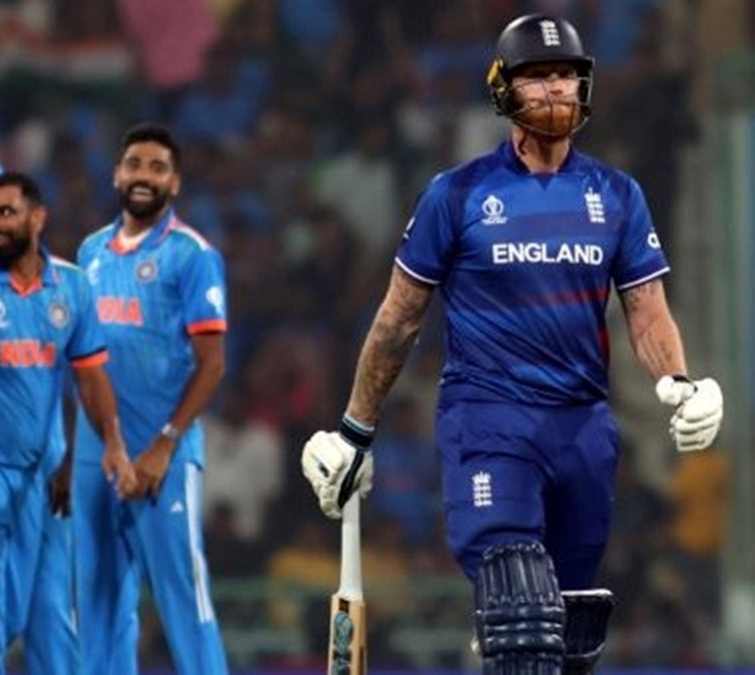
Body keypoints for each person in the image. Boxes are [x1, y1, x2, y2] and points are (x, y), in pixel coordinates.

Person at [299, 14, 724, 675]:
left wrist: (677, 382)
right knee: (519, 608)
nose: (555, 88)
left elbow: (646, 313)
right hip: (489, 423)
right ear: (503, 90)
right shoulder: (457, 194)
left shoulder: (617, 195)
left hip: (584, 431)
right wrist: (356, 431)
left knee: (569, 637)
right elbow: (399, 320)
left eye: (566, 75)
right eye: (537, 76)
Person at [0, 171, 131, 674]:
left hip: (34, 474)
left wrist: (111, 444)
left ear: (38, 218)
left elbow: (88, 377)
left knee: (14, 615)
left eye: (4, 213)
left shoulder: (72, 286)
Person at [73, 123, 229, 674]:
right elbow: (83, 360)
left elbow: (212, 365)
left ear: (175, 183)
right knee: (97, 600)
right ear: (117, 174)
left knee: (183, 593)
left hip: (162, 451)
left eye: (157, 167)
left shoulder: (191, 254)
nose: (144, 176)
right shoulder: (90, 251)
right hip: (97, 450)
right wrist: (84, 450)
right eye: (134, 164)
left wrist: (165, 444)